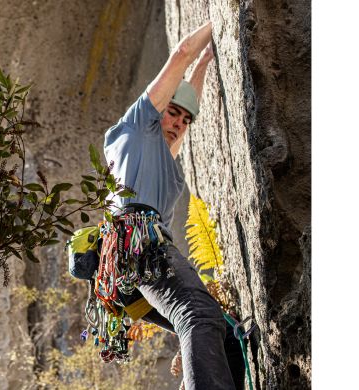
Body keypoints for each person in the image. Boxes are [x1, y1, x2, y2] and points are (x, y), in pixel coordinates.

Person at [103, 21, 243, 390]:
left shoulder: (158, 154)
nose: (179, 123)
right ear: (158, 108)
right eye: (172, 113)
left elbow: (188, 102)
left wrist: (206, 63)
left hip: (135, 259)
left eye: (185, 120)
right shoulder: (136, 127)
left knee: (224, 332)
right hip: (140, 244)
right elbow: (180, 54)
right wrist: (218, 21)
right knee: (196, 315)